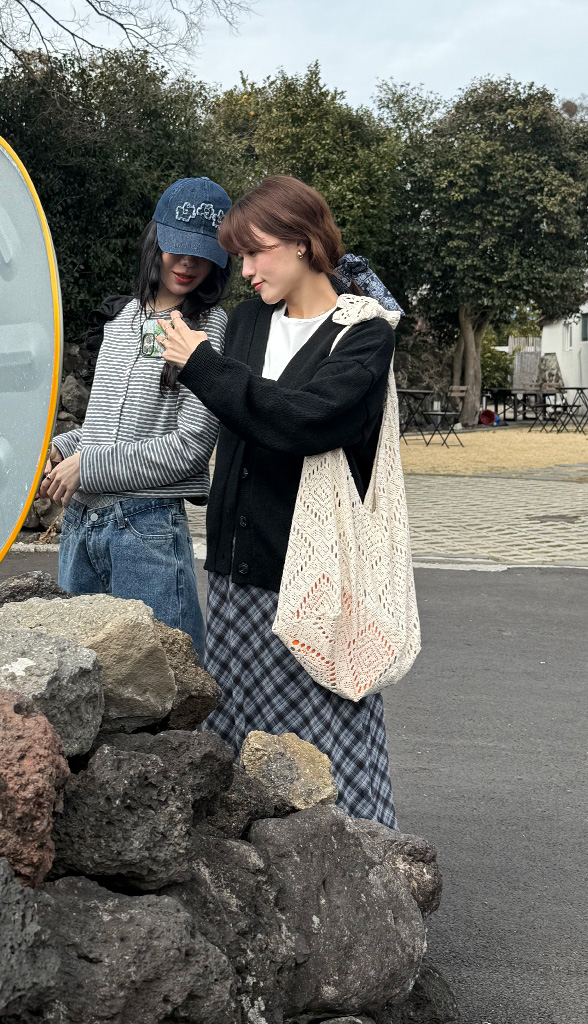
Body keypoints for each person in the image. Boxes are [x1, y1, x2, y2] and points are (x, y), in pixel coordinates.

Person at [158, 174, 401, 827]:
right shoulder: (246, 324)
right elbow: (237, 419)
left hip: (312, 577)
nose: (245, 269)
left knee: (328, 752)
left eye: (256, 251)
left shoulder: (364, 334)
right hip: (235, 573)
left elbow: (303, 420)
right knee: (235, 746)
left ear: (301, 242)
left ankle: (361, 869)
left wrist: (203, 366)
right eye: (240, 255)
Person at [40, 177, 232, 661]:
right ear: (154, 240)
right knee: (76, 684)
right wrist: (65, 448)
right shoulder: (123, 318)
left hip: (146, 530)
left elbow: (191, 447)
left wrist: (89, 466)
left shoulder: (210, 327)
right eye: (176, 247)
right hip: (81, 526)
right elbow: (105, 428)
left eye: (202, 253)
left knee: (168, 688)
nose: (187, 263)